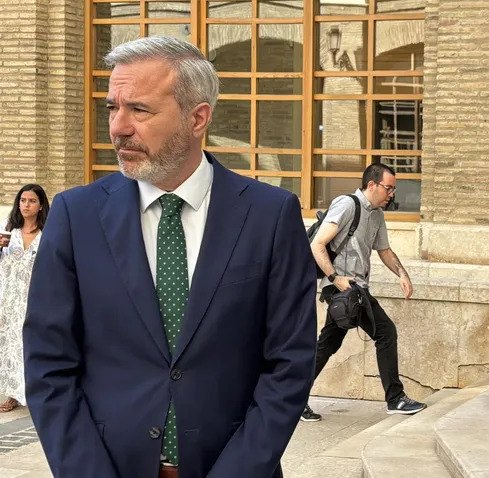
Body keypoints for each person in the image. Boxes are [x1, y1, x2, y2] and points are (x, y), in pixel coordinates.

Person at [23, 36, 317, 478]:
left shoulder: (270, 216)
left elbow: (290, 365)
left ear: (197, 118)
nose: (118, 127)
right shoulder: (76, 215)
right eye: (112, 108)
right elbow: (48, 364)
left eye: (139, 110)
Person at [301, 163, 426, 421]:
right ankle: (395, 398)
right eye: (388, 188)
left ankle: (293, 398)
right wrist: (335, 279)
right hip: (344, 289)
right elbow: (318, 244)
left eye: (393, 189)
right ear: (372, 185)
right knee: (385, 332)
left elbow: (385, 251)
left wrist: (402, 274)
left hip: (355, 288)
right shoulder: (347, 205)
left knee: (328, 344)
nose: (391, 194)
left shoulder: (377, 214)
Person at [0, 184, 49, 413]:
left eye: (31, 201)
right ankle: (13, 393)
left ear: (40, 205)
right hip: (9, 296)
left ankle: (34, 391)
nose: (26, 205)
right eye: (22, 200)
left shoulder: (47, 233)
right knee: (11, 343)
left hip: (36, 295)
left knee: (33, 342)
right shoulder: (8, 229)